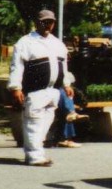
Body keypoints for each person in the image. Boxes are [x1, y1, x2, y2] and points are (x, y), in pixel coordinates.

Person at [7, 9, 72, 166]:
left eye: (50, 22)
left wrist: (67, 84)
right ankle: (35, 157)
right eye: (44, 22)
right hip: (35, 91)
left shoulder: (58, 44)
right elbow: (16, 67)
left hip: (53, 91)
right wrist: (16, 88)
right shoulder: (25, 42)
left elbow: (64, 66)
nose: (48, 25)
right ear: (37, 22)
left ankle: (35, 151)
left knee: (45, 122)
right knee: (33, 122)